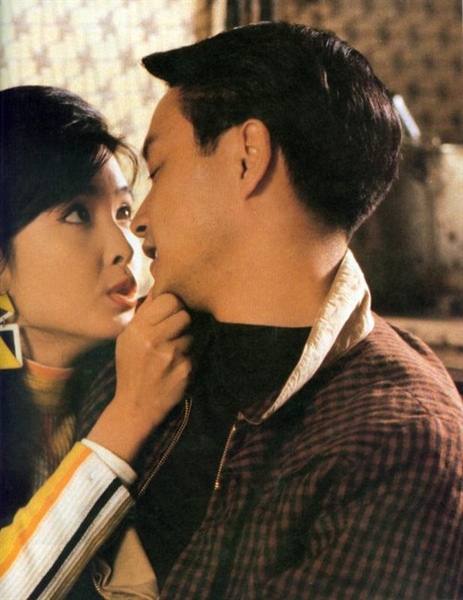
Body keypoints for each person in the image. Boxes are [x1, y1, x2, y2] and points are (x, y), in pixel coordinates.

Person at [74, 22, 462, 599]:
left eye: (159, 171)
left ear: (247, 157)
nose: (141, 219)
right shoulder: (140, 362)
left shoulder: (399, 441)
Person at [0, 86, 192, 599]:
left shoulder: (146, 359)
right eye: (77, 214)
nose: (125, 247)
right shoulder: (131, 395)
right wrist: (128, 418)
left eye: (123, 211)